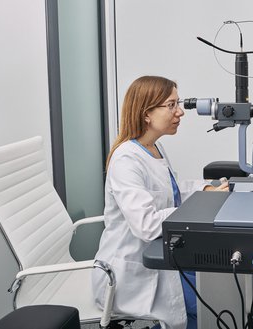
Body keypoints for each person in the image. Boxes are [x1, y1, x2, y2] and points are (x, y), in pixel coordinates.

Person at [91, 76, 228, 329]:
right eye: (171, 105)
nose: (180, 112)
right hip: (134, 271)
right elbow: (146, 224)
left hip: (164, 254)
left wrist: (206, 189)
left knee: (221, 286)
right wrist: (197, 209)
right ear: (146, 114)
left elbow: (172, 190)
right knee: (212, 304)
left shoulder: (154, 148)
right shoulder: (126, 160)